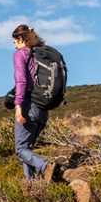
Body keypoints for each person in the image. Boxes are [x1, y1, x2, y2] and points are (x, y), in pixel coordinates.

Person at [12, 24, 61, 182]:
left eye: (15, 40)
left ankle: (45, 166)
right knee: (27, 149)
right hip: (43, 108)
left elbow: (21, 81)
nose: (14, 44)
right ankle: (31, 185)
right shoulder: (39, 53)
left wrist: (18, 106)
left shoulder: (20, 54)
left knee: (20, 149)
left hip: (29, 105)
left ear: (22, 39)